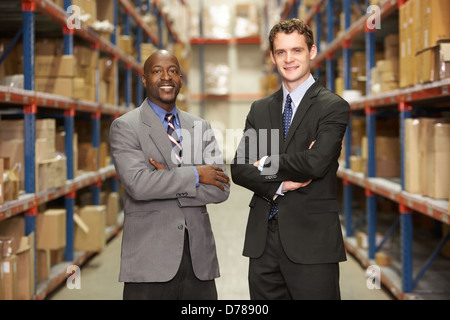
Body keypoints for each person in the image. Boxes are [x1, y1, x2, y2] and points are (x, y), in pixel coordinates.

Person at [230, 18, 350, 300]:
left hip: (312, 244)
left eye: (296, 50)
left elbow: (316, 162)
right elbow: (239, 169)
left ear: (312, 52)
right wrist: (280, 184)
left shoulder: (332, 107)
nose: (289, 59)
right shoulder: (260, 110)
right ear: (273, 57)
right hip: (263, 244)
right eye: (281, 52)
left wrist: (266, 162)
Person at [110, 49, 230, 300]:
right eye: (157, 71)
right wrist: (196, 174)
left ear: (180, 79)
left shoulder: (200, 126)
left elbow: (220, 188)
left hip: (198, 262)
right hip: (150, 261)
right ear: (144, 79)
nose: (166, 77)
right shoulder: (126, 126)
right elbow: (139, 185)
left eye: (173, 71)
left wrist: (165, 179)